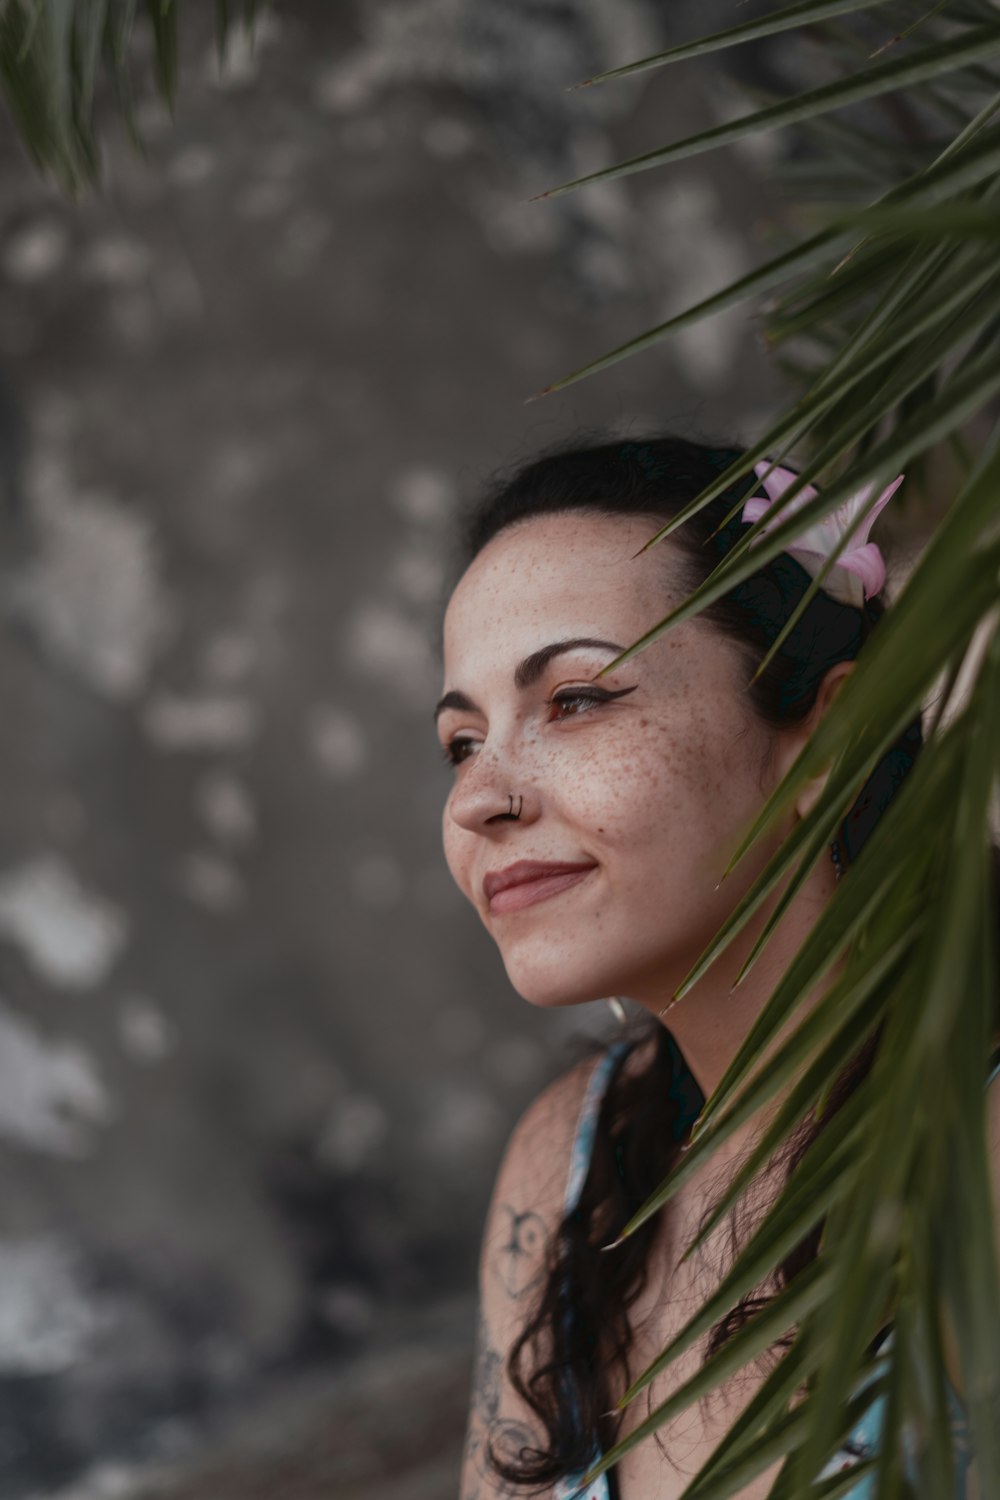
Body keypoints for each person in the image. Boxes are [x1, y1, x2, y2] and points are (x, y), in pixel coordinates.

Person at [435, 433, 1000, 1500]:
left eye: (575, 699)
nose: (478, 799)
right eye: (461, 742)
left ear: (821, 740)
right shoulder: (572, 1163)